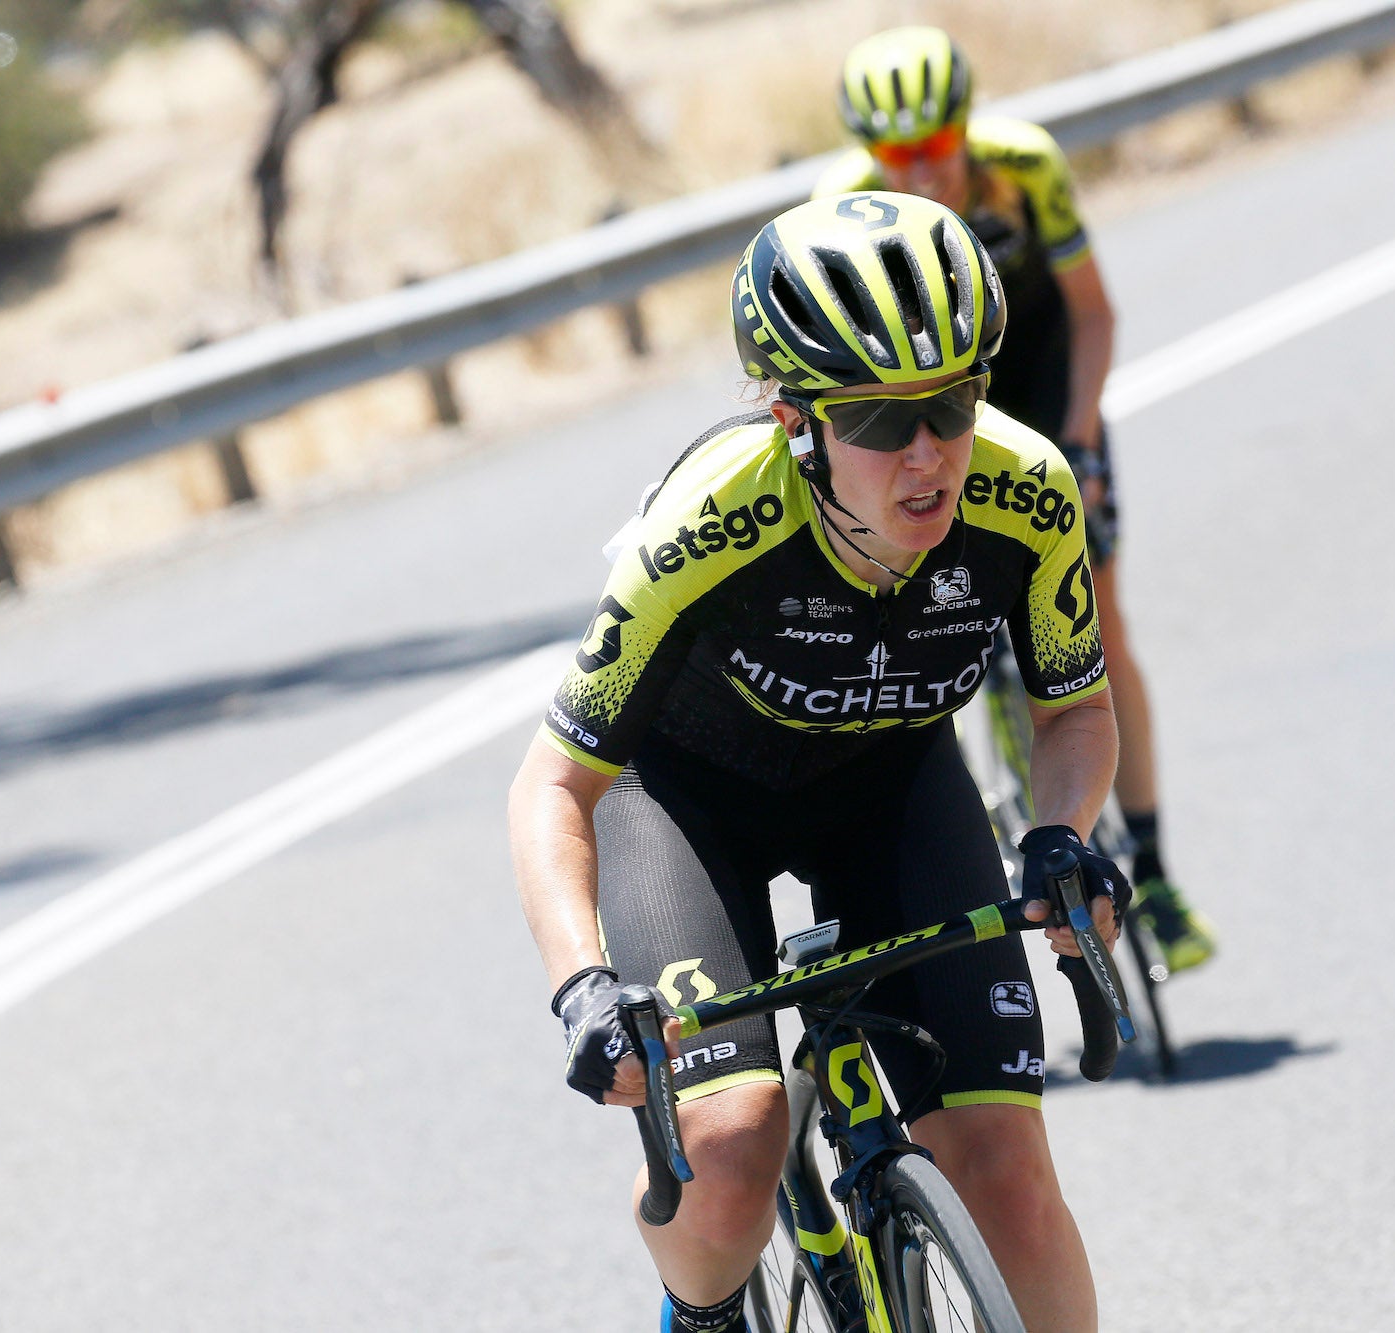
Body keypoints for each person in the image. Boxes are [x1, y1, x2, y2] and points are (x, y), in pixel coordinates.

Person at [509, 191, 1128, 1332]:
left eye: (951, 403)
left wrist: (1059, 834)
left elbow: (1075, 711)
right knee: (731, 1152)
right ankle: (700, 1314)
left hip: (891, 789)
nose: (927, 453)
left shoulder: (1026, 492)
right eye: (881, 421)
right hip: (686, 805)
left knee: (1008, 1173)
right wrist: (581, 985)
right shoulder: (709, 524)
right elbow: (552, 783)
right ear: (797, 423)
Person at [817, 25, 1215, 971]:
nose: (920, 169)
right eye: (896, 154)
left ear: (965, 127)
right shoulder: (846, 207)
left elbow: (1093, 313)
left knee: (1099, 628)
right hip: (933, 433)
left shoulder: (1025, 167)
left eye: (934, 144)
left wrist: (1080, 443)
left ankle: (1155, 870)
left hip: (1044, 397)